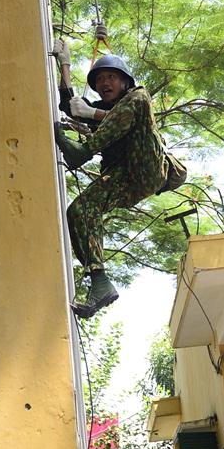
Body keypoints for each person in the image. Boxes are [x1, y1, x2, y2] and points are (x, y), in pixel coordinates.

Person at [52, 40, 167, 318]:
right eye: (100, 79)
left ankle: (83, 152)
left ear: (125, 81)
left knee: (131, 104)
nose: (105, 82)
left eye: (111, 77)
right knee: (79, 210)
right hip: (123, 178)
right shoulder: (106, 113)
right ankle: (100, 282)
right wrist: (64, 64)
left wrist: (90, 115)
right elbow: (70, 106)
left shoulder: (137, 98)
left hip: (147, 168)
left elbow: (119, 115)